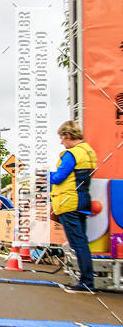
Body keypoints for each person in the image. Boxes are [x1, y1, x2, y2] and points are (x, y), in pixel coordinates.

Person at [49, 120, 97, 291]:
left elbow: (58, 178)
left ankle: (86, 282)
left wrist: (46, 174)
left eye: (62, 137)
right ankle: (86, 279)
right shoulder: (89, 152)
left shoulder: (71, 155)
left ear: (68, 135)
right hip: (83, 200)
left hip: (68, 202)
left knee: (78, 243)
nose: (61, 142)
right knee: (81, 241)